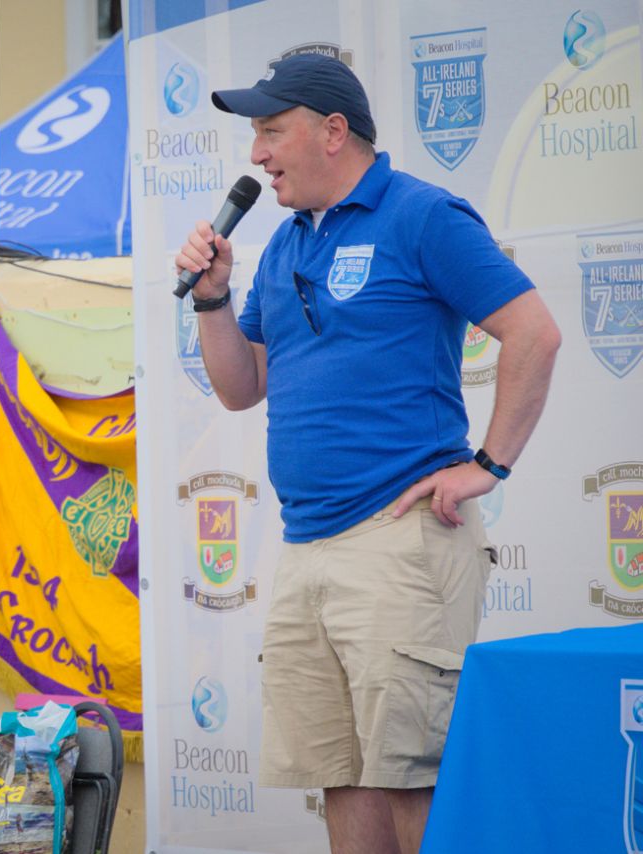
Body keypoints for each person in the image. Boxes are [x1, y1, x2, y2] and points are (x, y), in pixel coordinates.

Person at [174, 53, 560, 854]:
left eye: (271, 131)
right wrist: (213, 296)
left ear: (332, 132)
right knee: (341, 774)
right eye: (255, 135)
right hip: (307, 545)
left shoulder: (421, 215)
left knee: (412, 774)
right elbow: (243, 387)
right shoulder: (284, 246)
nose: (256, 156)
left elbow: (534, 332)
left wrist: (487, 465)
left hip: (401, 544)